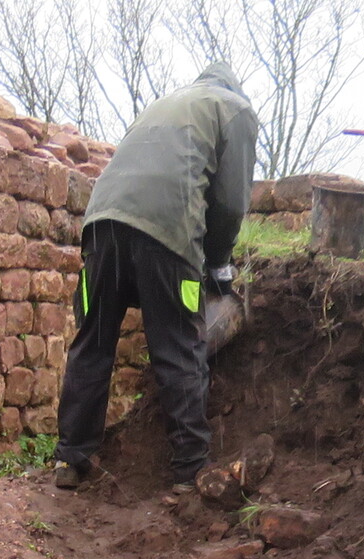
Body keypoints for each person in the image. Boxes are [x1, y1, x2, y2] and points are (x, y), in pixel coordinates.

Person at [51, 62, 260, 495]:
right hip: (168, 232)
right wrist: (219, 264)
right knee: (179, 345)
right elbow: (230, 202)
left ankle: (71, 459)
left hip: (101, 227)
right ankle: (189, 469)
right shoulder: (235, 108)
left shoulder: (164, 104)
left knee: (92, 342)